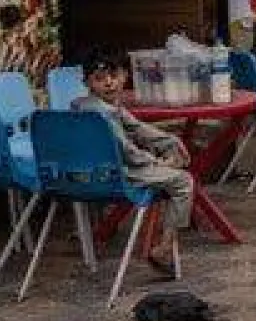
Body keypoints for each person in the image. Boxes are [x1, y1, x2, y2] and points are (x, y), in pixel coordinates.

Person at [73, 47, 193, 279]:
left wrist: (171, 141)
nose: (108, 83)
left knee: (168, 169)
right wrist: (160, 162)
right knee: (182, 182)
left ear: (124, 76)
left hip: (88, 175)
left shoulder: (86, 105)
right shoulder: (102, 115)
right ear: (87, 83)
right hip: (115, 175)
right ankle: (164, 248)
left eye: (113, 77)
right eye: (99, 79)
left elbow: (137, 127)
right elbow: (128, 152)